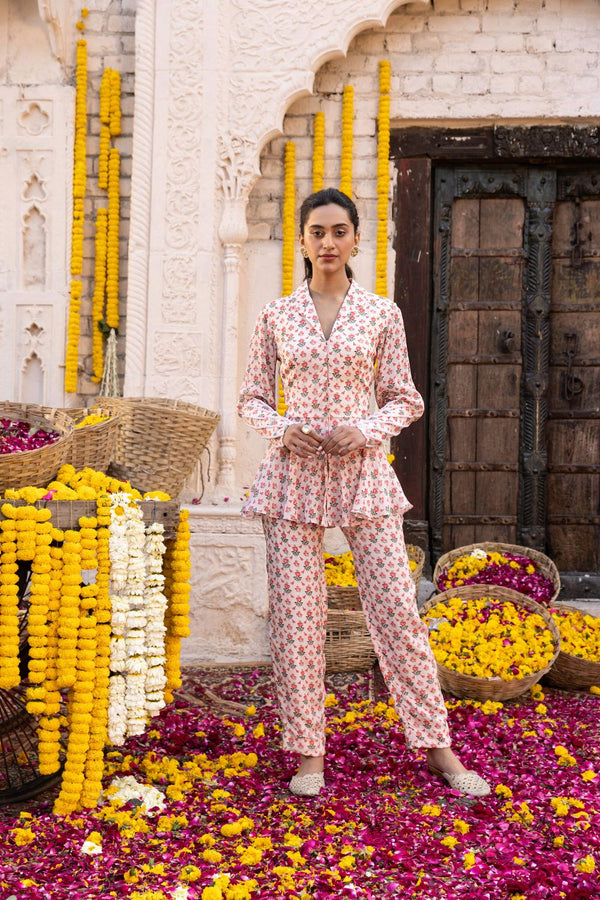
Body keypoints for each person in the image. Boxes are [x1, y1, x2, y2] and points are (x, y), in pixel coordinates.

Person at [237, 187, 490, 799]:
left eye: (339, 231)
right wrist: (283, 428)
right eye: (317, 232)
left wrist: (366, 428)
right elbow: (251, 398)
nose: (327, 242)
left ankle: (437, 745)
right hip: (292, 479)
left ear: (355, 240)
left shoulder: (381, 315)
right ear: (301, 241)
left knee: (397, 611)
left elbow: (406, 397)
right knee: (298, 620)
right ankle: (308, 752)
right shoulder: (277, 316)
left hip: (364, 474)